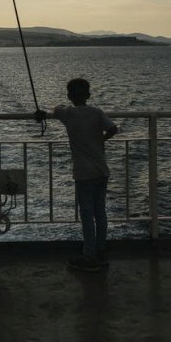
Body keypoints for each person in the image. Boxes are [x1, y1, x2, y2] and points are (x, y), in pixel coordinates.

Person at [46, 78, 117, 272]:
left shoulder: (67, 114)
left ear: (69, 96)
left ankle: (89, 256)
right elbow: (113, 129)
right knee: (100, 211)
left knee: (86, 214)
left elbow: (56, 108)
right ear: (89, 95)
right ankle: (101, 249)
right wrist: (99, 140)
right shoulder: (96, 113)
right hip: (101, 170)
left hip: (83, 173)